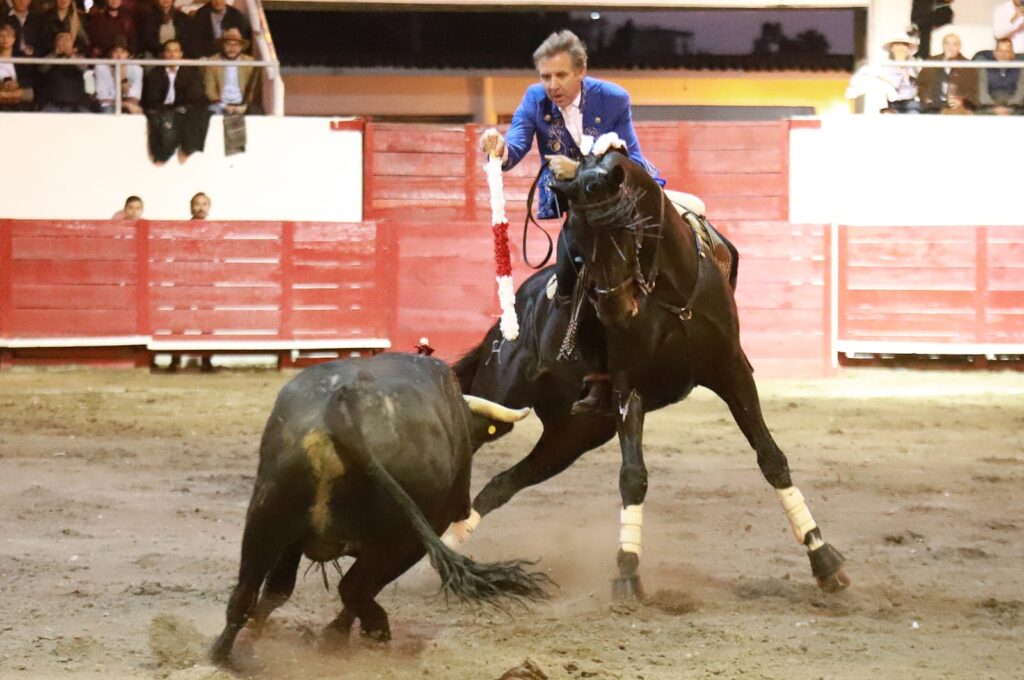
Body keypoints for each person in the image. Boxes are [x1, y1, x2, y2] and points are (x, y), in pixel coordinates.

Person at [479, 30, 667, 415]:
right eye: (546, 76)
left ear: (582, 71)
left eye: (561, 75)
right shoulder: (534, 100)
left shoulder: (613, 98)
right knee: (567, 274)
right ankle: (598, 376)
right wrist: (498, 146)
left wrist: (580, 168)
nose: (552, 85)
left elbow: (626, 160)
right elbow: (515, 145)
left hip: (619, 206)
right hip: (581, 214)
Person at [142, 38, 210, 162]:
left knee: (200, 113)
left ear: (181, 54)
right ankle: (161, 155)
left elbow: (194, 95)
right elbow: (152, 97)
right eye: (169, 51)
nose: (172, 54)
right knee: (159, 119)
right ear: (164, 54)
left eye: (175, 51)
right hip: (162, 108)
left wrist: (181, 108)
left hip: (184, 108)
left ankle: (187, 149)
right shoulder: (155, 73)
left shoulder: (191, 72)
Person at [917, 33, 978, 114]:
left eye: (954, 44)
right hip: (933, 105)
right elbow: (921, 84)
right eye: (947, 44)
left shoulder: (968, 66)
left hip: (956, 107)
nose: (950, 48)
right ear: (943, 46)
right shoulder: (932, 62)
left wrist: (962, 100)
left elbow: (974, 90)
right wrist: (926, 99)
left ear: (959, 47)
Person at [204, 26, 258, 114]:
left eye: (235, 45)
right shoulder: (213, 61)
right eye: (228, 44)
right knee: (212, 113)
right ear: (223, 45)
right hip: (220, 103)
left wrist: (244, 106)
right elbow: (210, 90)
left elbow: (253, 89)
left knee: (255, 113)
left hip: (242, 103)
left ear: (241, 47)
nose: (232, 48)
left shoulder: (249, 62)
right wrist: (224, 106)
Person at [35, 30, 89, 111]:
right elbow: (42, 69)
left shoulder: (79, 58)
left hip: (75, 103)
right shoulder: (50, 56)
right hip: (52, 102)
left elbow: (86, 70)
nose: (63, 43)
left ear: (72, 43)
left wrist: (70, 55)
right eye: (61, 39)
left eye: (67, 40)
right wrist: (54, 54)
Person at [94, 35, 142, 112]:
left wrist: (123, 79)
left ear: (128, 54)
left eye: (123, 52)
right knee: (108, 111)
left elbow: (134, 98)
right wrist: (126, 104)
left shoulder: (136, 69)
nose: (119, 56)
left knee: (137, 112)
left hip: (128, 105)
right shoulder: (101, 67)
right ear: (110, 54)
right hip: (109, 106)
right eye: (115, 51)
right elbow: (103, 100)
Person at [978, 38, 1024, 115]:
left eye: (1007, 51)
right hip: (990, 106)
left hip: (1014, 107)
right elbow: (982, 93)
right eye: (1000, 51)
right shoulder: (985, 67)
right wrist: (993, 109)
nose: (1003, 55)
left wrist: (1009, 110)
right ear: (995, 53)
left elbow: (1020, 93)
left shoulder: (1020, 67)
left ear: (1012, 54)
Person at [0, 22, 28, 110]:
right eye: (1, 36)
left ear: (14, 39)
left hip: (16, 98)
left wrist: (18, 83)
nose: (5, 39)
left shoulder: (21, 57)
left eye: (8, 36)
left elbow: (31, 77)